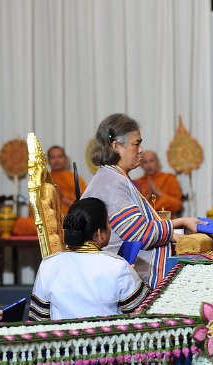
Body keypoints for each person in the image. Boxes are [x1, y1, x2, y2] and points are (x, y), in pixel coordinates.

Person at [81, 113, 200, 288]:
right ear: (116, 146)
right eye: (136, 144)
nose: (141, 149)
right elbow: (138, 234)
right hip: (120, 279)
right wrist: (179, 222)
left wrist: (173, 235)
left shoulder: (114, 177)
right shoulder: (112, 182)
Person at [28, 197, 149, 321]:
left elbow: (38, 319)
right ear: (99, 233)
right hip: (105, 333)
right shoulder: (118, 266)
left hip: (62, 334)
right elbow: (143, 313)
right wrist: (131, 275)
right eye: (108, 223)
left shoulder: (48, 264)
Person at [132, 151, 183, 216]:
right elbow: (134, 210)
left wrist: (158, 193)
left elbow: (177, 206)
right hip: (145, 220)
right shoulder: (137, 183)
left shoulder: (169, 179)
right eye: (145, 162)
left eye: (152, 161)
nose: (149, 165)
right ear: (140, 165)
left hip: (166, 219)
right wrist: (147, 196)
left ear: (157, 162)